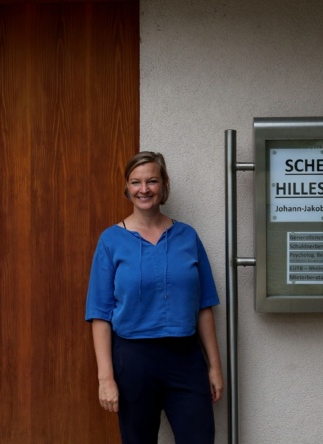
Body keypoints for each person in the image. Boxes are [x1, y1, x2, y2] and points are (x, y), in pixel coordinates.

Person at [85, 151, 224, 444]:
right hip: (134, 361)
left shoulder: (188, 237)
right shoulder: (110, 241)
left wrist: (214, 366)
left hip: (186, 359)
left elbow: (203, 307)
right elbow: (99, 315)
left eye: (152, 181)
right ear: (127, 187)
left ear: (164, 185)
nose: (144, 189)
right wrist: (105, 378)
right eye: (136, 182)